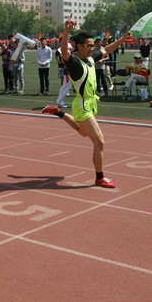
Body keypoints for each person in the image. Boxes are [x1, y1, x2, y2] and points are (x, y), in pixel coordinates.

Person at [41, 15, 131, 188]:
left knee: (83, 133)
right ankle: (100, 177)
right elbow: (65, 53)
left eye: (92, 45)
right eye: (88, 45)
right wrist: (66, 32)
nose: (92, 48)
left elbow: (107, 49)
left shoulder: (91, 58)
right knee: (99, 141)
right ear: (79, 46)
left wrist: (122, 40)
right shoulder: (75, 64)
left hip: (88, 104)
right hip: (82, 105)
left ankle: (57, 111)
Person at [56, 37, 73, 106]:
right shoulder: (62, 47)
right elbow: (62, 56)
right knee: (65, 85)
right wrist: (65, 64)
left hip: (74, 69)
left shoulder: (72, 46)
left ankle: (81, 101)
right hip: (68, 70)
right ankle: (59, 101)